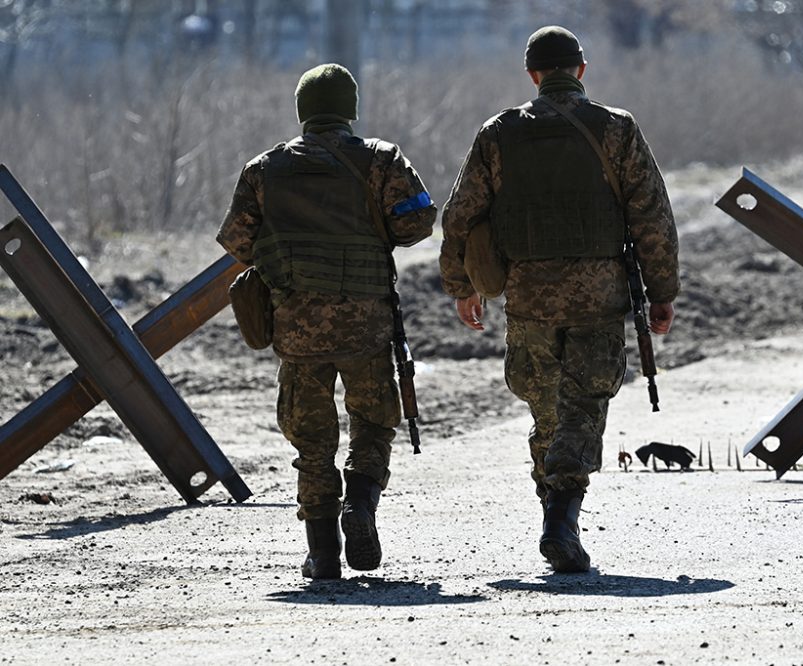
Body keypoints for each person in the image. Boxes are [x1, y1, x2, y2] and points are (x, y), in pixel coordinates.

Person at [439, 26, 679, 573]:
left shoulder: (498, 134)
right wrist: (662, 290)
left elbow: (460, 217)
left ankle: (554, 510)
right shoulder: (616, 129)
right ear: (581, 70)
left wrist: (463, 286)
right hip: (599, 292)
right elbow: (652, 217)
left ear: (533, 75)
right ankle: (562, 516)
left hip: (527, 295)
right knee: (585, 403)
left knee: (546, 405)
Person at [217, 64, 436, 579]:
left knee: (312, 441)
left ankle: (322, 552)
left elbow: (237, 242)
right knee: (374, 421)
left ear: (303, 112)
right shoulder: (382, 159)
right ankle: (360, 504)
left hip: (297, 328)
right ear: (349, 110)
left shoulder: (263, 169)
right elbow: (419, 221)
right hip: (367, 322)